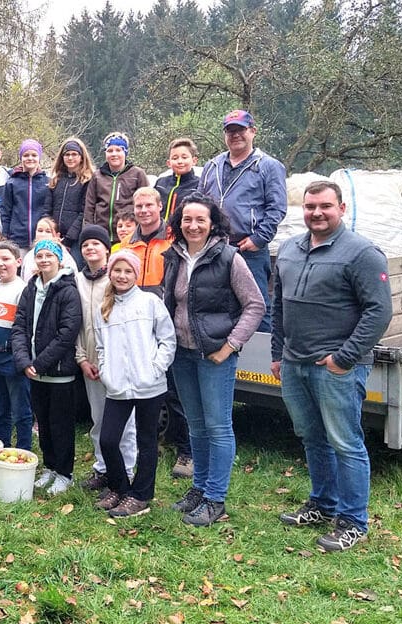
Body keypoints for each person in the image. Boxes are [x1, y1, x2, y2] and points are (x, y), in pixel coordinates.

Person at [271, 180, 391, 551]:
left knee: (345, 442)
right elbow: (279, 305)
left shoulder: (362, 253)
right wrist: (278, 353)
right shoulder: (290, 249)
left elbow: (379, 311)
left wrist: (344, 357)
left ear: (341, 208)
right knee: (312, 437)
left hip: (335, 367)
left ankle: (353, 520)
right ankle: (323, 505)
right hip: (294, 363)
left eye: (325, 206)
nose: (317, 213)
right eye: (310, 207)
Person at [162, 193, 264, 526]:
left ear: (212, 223)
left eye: (200, 220)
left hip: (214, 356)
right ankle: (199, 489)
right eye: (187, 219)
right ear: (179, 222)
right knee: (196, 426)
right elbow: (172, 304)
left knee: (218, 427)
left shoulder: (229, 258)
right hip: (182, 354)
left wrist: (230, 345)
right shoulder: (174, 256)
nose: (193, 225)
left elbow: (254, 305)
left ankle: (215, 499)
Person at [94, 250, 175, 518]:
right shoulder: (104, 307)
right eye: (117, 270)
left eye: (128, 271)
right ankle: (119, 487)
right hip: (118, 386)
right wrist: (107, 373)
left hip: (148, 385)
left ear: (136, 274)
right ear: (110, 273)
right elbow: (101, 347)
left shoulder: (150, 302)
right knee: (108, 440)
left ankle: (141, 495)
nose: (122, 275)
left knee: (146, 440)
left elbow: (167, 340)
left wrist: (155, 369)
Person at [119, 186, 194, 478]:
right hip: (137, 324)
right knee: (142, 386)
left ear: (160, 206)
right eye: (139, 206)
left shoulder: (175, 240)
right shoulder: (127, 243)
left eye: (149, 205)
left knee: (175, 391)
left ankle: (186, 451)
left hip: (169, 322)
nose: (143, 211)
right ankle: (147, 442)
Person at [199, 110, 288, 332]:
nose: (235, 135)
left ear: (253, 132)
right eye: (230, 131)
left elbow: (277, 207)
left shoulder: (268, 166)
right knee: (218, 303)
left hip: (248, 248)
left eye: (240, 130)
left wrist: (259, 238)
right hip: (215, 247)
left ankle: (260, 363)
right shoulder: (212, 165)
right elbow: (199, 202)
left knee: (256, 305)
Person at [11, 240, 82, 496]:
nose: (43, 260)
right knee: (43, 423)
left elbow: (66, 334)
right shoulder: (31, 288)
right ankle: (50, 467)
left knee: (60, 424)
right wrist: (23, 361)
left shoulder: (67, 291)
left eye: (48, 256)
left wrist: (39, 363)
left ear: (59, 260)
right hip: (34, 371)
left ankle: (65, 473)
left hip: (59, 372)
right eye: (39, 256)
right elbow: (19, 325)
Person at [73, 225, 137, 492]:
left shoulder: (117, 279)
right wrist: (82, 359)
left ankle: (128, 469)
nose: (90, 248)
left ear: (106, 248)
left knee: (125, 421)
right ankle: (102, 468)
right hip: (90, 362)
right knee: (99, 419)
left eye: (96, 244)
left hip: (118, 363)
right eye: (85, 244)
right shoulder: (76, 279)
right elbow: (76, 323)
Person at [0, 242, 32, 449]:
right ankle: (3, 449)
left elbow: (25, 329)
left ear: (18, 262)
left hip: (13, 361)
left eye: (6, 259)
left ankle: (23, 450)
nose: (1, 264)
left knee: (21, 411)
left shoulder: (23, 289)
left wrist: (18, 357)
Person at [84, 132, 149, 243]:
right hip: (101, 234)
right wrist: (88, 231)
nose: (114, 154)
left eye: (118, 150)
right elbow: (89, 206)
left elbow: (147, 202)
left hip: (128, 235)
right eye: (110, 151)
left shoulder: (137, 174)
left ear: (125, 152)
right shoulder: (97, 176)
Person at [43, 137, 95, 266]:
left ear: (82, 157)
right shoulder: (55, 180)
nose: (70, 158)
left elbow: (84, 212)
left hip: (75, 239)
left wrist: (68, 239)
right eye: (67, 154)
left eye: (74, 154)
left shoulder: (87, 181)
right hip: (54, 237)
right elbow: (47, 210)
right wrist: (51, 232)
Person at [1, 139, 50, 248]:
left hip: (42, 239)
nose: (30, 158)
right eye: (26, 155)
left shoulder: (48, 183)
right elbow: (6, 211)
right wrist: (5, 235)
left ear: (39, 158)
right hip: (17, 239)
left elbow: (50, 211)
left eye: (34, 155)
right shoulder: (12, 183)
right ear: (21, 158)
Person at [154, 137, 200, 223]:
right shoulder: (160, 183)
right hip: (159, 232)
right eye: (175, 158)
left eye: (184, 157)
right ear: (168, 163)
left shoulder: (199, 185)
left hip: (185, 232)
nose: (180, 161)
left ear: (194, 161)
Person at [20, 216, 78, 280]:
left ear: (57, 235)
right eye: (40, 230)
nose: (43, 234)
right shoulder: (29, 256)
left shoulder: (65, 256)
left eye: (48, 231)